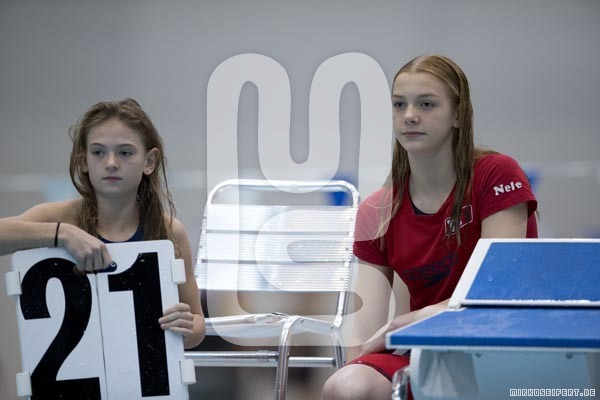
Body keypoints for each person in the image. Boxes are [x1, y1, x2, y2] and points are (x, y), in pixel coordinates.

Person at [321, 54, 538, 400]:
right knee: (346, 386)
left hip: (501, 344)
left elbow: (496, 291)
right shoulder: (377, 211)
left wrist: (416, 318)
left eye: (426, 104)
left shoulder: (496, 175)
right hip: (426, 353)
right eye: (399, 104)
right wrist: (350, 373)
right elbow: (364, 335)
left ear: (457, 115)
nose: (409, 115)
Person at [0, 98, 205, 349]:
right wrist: (63, 234)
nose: (111, 163)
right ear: (84, 161)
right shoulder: (60, 219)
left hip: (142, 372)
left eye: (125, 152)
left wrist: (186, 327)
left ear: (150, 162)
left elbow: (197, 324)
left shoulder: (169, 231)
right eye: (98, 152)